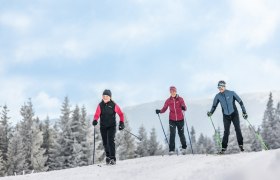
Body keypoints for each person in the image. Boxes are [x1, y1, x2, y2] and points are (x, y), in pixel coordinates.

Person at [207, 80, 248, 154]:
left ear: (224, 86)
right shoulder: (218, 96)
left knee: (237, 129)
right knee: (226, 132)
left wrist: (244, 112)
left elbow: (240, 102)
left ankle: (241, 146)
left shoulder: (232, 93)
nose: (220, 88)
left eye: (222, 86)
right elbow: (214, 106)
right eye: (219, 87)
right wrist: (211, 113)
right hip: (226, 116)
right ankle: (223, 148)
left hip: (234, 114)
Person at [92, 89, 125, 165]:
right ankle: (108, 157)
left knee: (110, 141)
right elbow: (97, 114)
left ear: (110, 97)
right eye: (104, 96)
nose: (105, 97)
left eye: (107, 96)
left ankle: (113, 158)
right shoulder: (100, 105)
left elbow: (121, 114)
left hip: (111, 126)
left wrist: (121, 123)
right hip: (103, 126)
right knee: (105, 142)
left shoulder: (113, 105)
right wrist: (95, 120)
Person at [155, 86, 187, 155]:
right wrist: (159, 111)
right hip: (172, 120)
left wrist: (183, 107)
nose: (172, 93)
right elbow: (164, 109)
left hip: (180, 119)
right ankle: (171, 150)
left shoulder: (180, 99)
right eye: (171, 91)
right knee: (172, 134)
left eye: (174, 91)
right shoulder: (168, 101)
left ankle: (184, 148)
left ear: (176, 92)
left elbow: (184, 107)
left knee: (181, 134)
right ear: (170, 92)